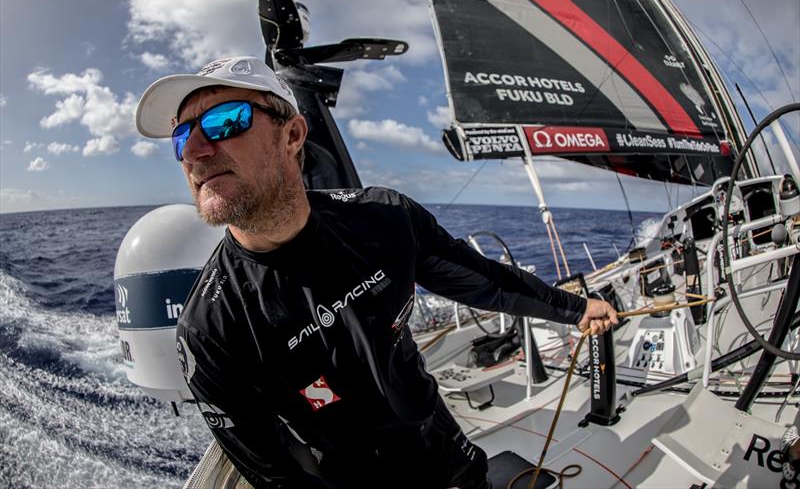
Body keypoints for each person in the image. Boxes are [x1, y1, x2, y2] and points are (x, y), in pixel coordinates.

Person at [135, 56, 619, 489]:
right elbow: (275, 474)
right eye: (181, 136)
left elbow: (484, 280)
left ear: (293, 135)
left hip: (447, 448)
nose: (195, 150)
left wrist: (576, 309)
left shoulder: (383, 220)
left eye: (223, 122)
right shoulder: (210, 327)